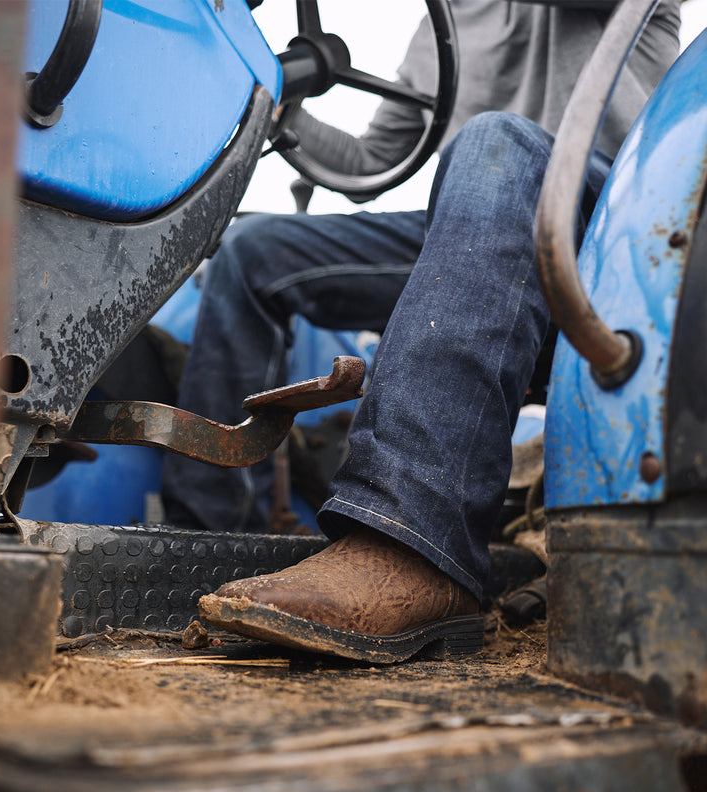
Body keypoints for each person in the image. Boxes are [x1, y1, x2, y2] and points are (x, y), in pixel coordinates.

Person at [165, 3, 680, 662]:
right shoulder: (447, 19)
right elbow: (374, 155)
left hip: (606, 229)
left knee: (500, 145)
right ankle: (205, 535)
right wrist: (276, 106)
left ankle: (413, 542)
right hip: (470, 223)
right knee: (252, 252)